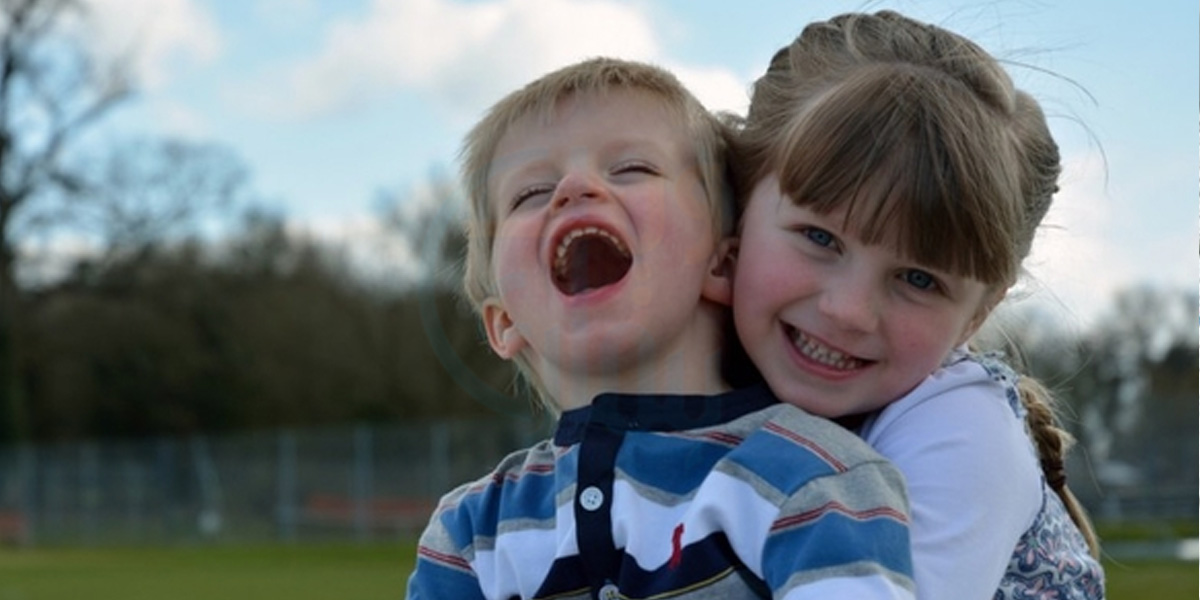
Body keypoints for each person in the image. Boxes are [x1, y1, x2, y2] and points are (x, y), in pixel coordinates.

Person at [406, 57, 917, 599]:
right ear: (505, 321)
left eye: (631, 168)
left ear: (722, 265)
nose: (574, 187)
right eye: (530, 193)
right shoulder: (469, 535)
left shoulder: (814, 477)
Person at [726, 10, 1104, 599]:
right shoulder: (696, 368)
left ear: (979, 312)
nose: (849, 310)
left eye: (919, 279)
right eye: (819, 237)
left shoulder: (962, 432)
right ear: (737, 204)